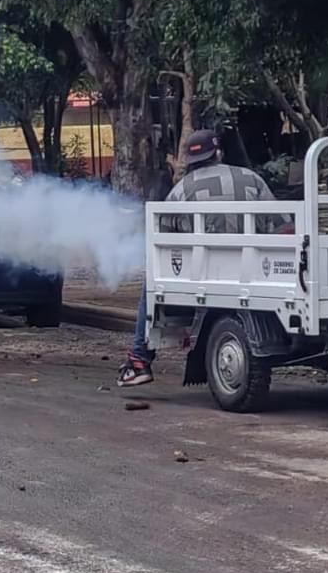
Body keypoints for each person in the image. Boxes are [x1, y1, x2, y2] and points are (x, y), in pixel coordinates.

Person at [117, 129, 275, 387]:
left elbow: (163, 240)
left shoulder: (182, 190)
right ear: (219, 153)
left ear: (190, 161)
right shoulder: (252, 178)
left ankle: (139, 361)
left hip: (205, 275)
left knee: (152, 280)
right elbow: (281, 225)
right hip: (259, 272)